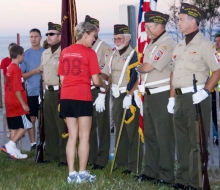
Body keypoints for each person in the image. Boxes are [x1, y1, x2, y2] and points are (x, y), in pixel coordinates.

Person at [168, 3, 220, 189]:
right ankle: (182, 180)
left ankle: (196, 182)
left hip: (196, 98)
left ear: (193, 21)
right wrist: (171, 98)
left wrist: (205, 91)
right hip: (180, 99)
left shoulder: (205, 45)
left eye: (181, 20)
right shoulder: (179, 46)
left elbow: (217, 70)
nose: (178, 23)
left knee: (196, 142)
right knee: (181, 142)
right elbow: (174, 74)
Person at [58, 21, 107, 183]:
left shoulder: (65, 51)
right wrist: (103, 84)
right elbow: (96, 79)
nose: (94, 39)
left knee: (72, 136)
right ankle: (83, 173)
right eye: (93, 36)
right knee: (84, 136)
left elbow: (62, 78)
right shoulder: (89, 53)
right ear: (85, 34)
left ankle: (71, 174)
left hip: (66, 96)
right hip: (82, 96)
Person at [135, 11, 176, 185]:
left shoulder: (167, 44)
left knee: (164, 136)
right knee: (151, 134)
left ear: (160, 26)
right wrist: (140, 68)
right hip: (150, 94)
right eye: (146, 27)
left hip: (161, 94)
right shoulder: (152, 44)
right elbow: (143, 66)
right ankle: (151, 171)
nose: (147, 31)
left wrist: (138, 67)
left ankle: (166, 176)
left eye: (150, 27)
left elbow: (148, 67)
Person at [101, 24, 142, 174]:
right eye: (115, 38)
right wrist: (101, 85)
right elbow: (106, 73)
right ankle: (121, 162)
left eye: (120, 38)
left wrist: (130, 94)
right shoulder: (112, 55)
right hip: (116, 95)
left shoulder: (134, 55)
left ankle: (134, 165)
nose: (117, 41)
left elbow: (138, 76)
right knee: (119, 129)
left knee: (132, 131)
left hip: (129, 95)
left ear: (128, 38)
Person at [84, 15, 112, 170]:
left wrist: (102, 92)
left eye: (92, 27)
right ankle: (91, 156)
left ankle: (101, 159)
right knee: (89, 125)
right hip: (85, 90)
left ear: (97, 29)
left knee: (102, 125)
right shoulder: (84, 46)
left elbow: (106, 72)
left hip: (98, 89)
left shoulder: (104, 47)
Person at [39, 22, 67, 167]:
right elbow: (44, 73)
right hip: (48, 92)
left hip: (60, 92)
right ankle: (51, 155)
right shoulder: (45, 53)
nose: (48, 37)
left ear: (60, 36)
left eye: (52, 34)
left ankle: (64, 157)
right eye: (47, 34)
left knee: (61, 125)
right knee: (49, 125)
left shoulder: (64, 52)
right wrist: (42, 93)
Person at [1, 45, 32, 159]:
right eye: (23, 55)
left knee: (13, 127)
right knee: (27, 124)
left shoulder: (9, 67)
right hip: (16, 102)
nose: (23, 57)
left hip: (9, 101)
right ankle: (10, 145)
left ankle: (13, 152)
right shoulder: (16, 69)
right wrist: (23, 104)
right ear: (19, 56)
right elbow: (17, 88)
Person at [20, 28, 45, 150]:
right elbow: (21, 75)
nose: (33, 39)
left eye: (36, 36)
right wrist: (34, 71)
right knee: (32, 119)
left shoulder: (46, 53)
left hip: (46, 92)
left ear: (40, 38)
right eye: (31, 37)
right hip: (31, 92)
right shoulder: (26, 55)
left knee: (45, 119)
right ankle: (33, 144)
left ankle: (45, 143)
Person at [0, 42, 17, 138]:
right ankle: (9, 129)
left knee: (17, 111)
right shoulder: (5, 61)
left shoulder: (17, 61)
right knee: (8, 111)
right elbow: (3, 75)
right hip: (8, 90)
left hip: (17, 89)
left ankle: (16, 129)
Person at [211, 34, 220, 146]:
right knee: (214, 115)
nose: (217, 43)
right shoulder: (212, 55)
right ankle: (216, 135)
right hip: (213, 91)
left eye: (219, 41)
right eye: (215, 41)